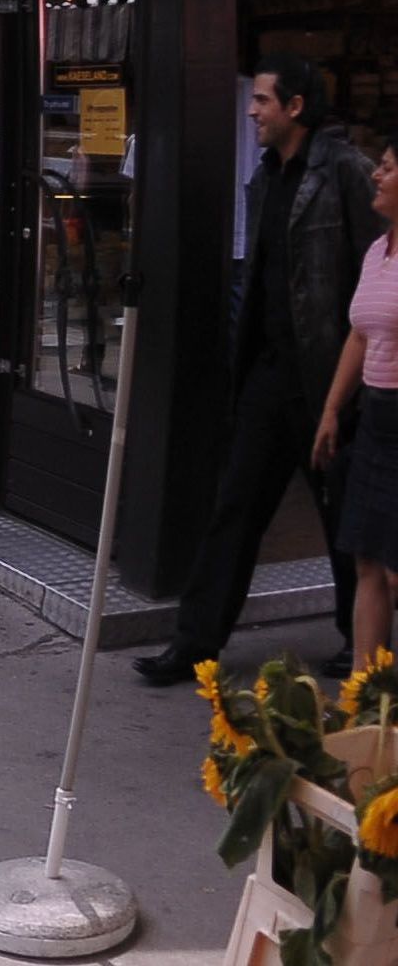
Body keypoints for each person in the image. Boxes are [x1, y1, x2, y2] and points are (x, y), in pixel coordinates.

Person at [139, 54, 383, 685]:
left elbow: (375, 270)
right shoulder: (264, 175)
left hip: (327, 377)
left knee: (340, 516)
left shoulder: (345, 171)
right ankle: (194, 645)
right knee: (235, 508)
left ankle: (357, 643)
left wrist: (352, 385)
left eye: (263, 101)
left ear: (296, 107)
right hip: (268, 374)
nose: (252, 112)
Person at [312, 139, 398, 664]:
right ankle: (366, 695)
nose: (376, 176)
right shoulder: (376, 252)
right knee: (367, 560)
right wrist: (331, 409)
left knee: (395, 571)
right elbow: (360, 336)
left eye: (387, 168)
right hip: (376, 422)